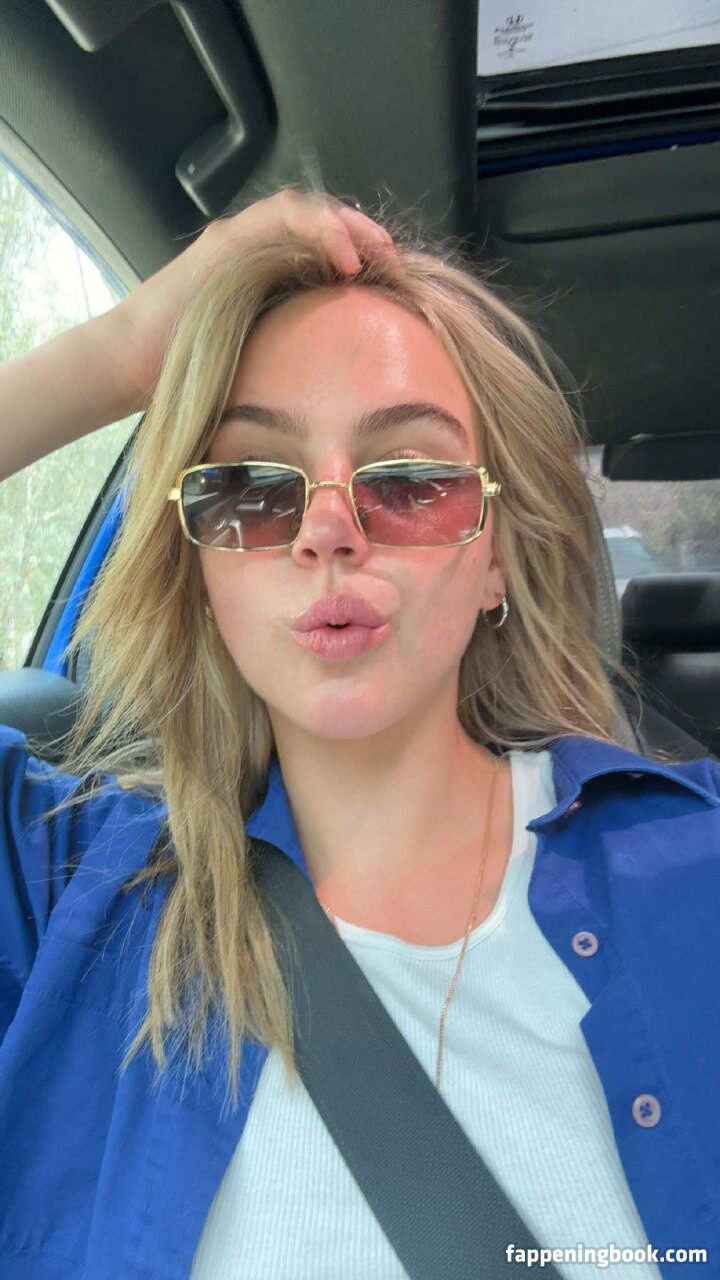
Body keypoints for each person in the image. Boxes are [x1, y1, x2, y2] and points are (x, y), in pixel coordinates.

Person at [0, 189, 717, 1280]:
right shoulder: (63, 895)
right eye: (252, 487)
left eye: (412, 481)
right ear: (200, 568)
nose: (329, 531)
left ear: (496, 558)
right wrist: (122, 354)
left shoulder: (697, 866)